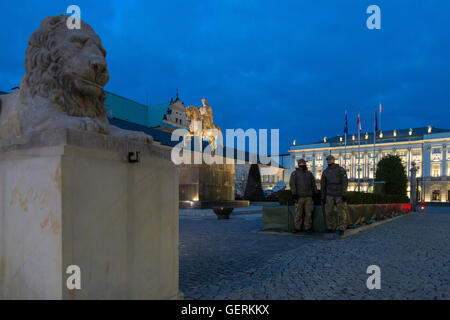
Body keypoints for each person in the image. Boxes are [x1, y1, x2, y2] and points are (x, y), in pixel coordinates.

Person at [321, 155, 348, 236]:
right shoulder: (325, 172)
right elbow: (323, 185)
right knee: (328, 212)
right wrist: (323, 196)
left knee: (341, 212)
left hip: (339, 193)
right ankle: (330, 227)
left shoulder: (340, 169)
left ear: (333, 160)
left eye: (330, 160)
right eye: (327, 160)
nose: (328, 161)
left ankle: (342, 228)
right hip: (329, 194)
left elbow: (344, 181)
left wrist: (344, 193)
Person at [289, 159, 318, 233]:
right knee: (298, 213)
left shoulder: (309, 173)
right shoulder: (295, 173)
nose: (303, 165)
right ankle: (297, 227)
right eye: (301, 163)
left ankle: (307, 227)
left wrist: (315, 192)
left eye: (304, 163)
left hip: (308, 196)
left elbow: (313, 184)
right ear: (298, 164)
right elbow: (292, 184)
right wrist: (294, 194)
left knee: (308, 213)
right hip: (299, 196)